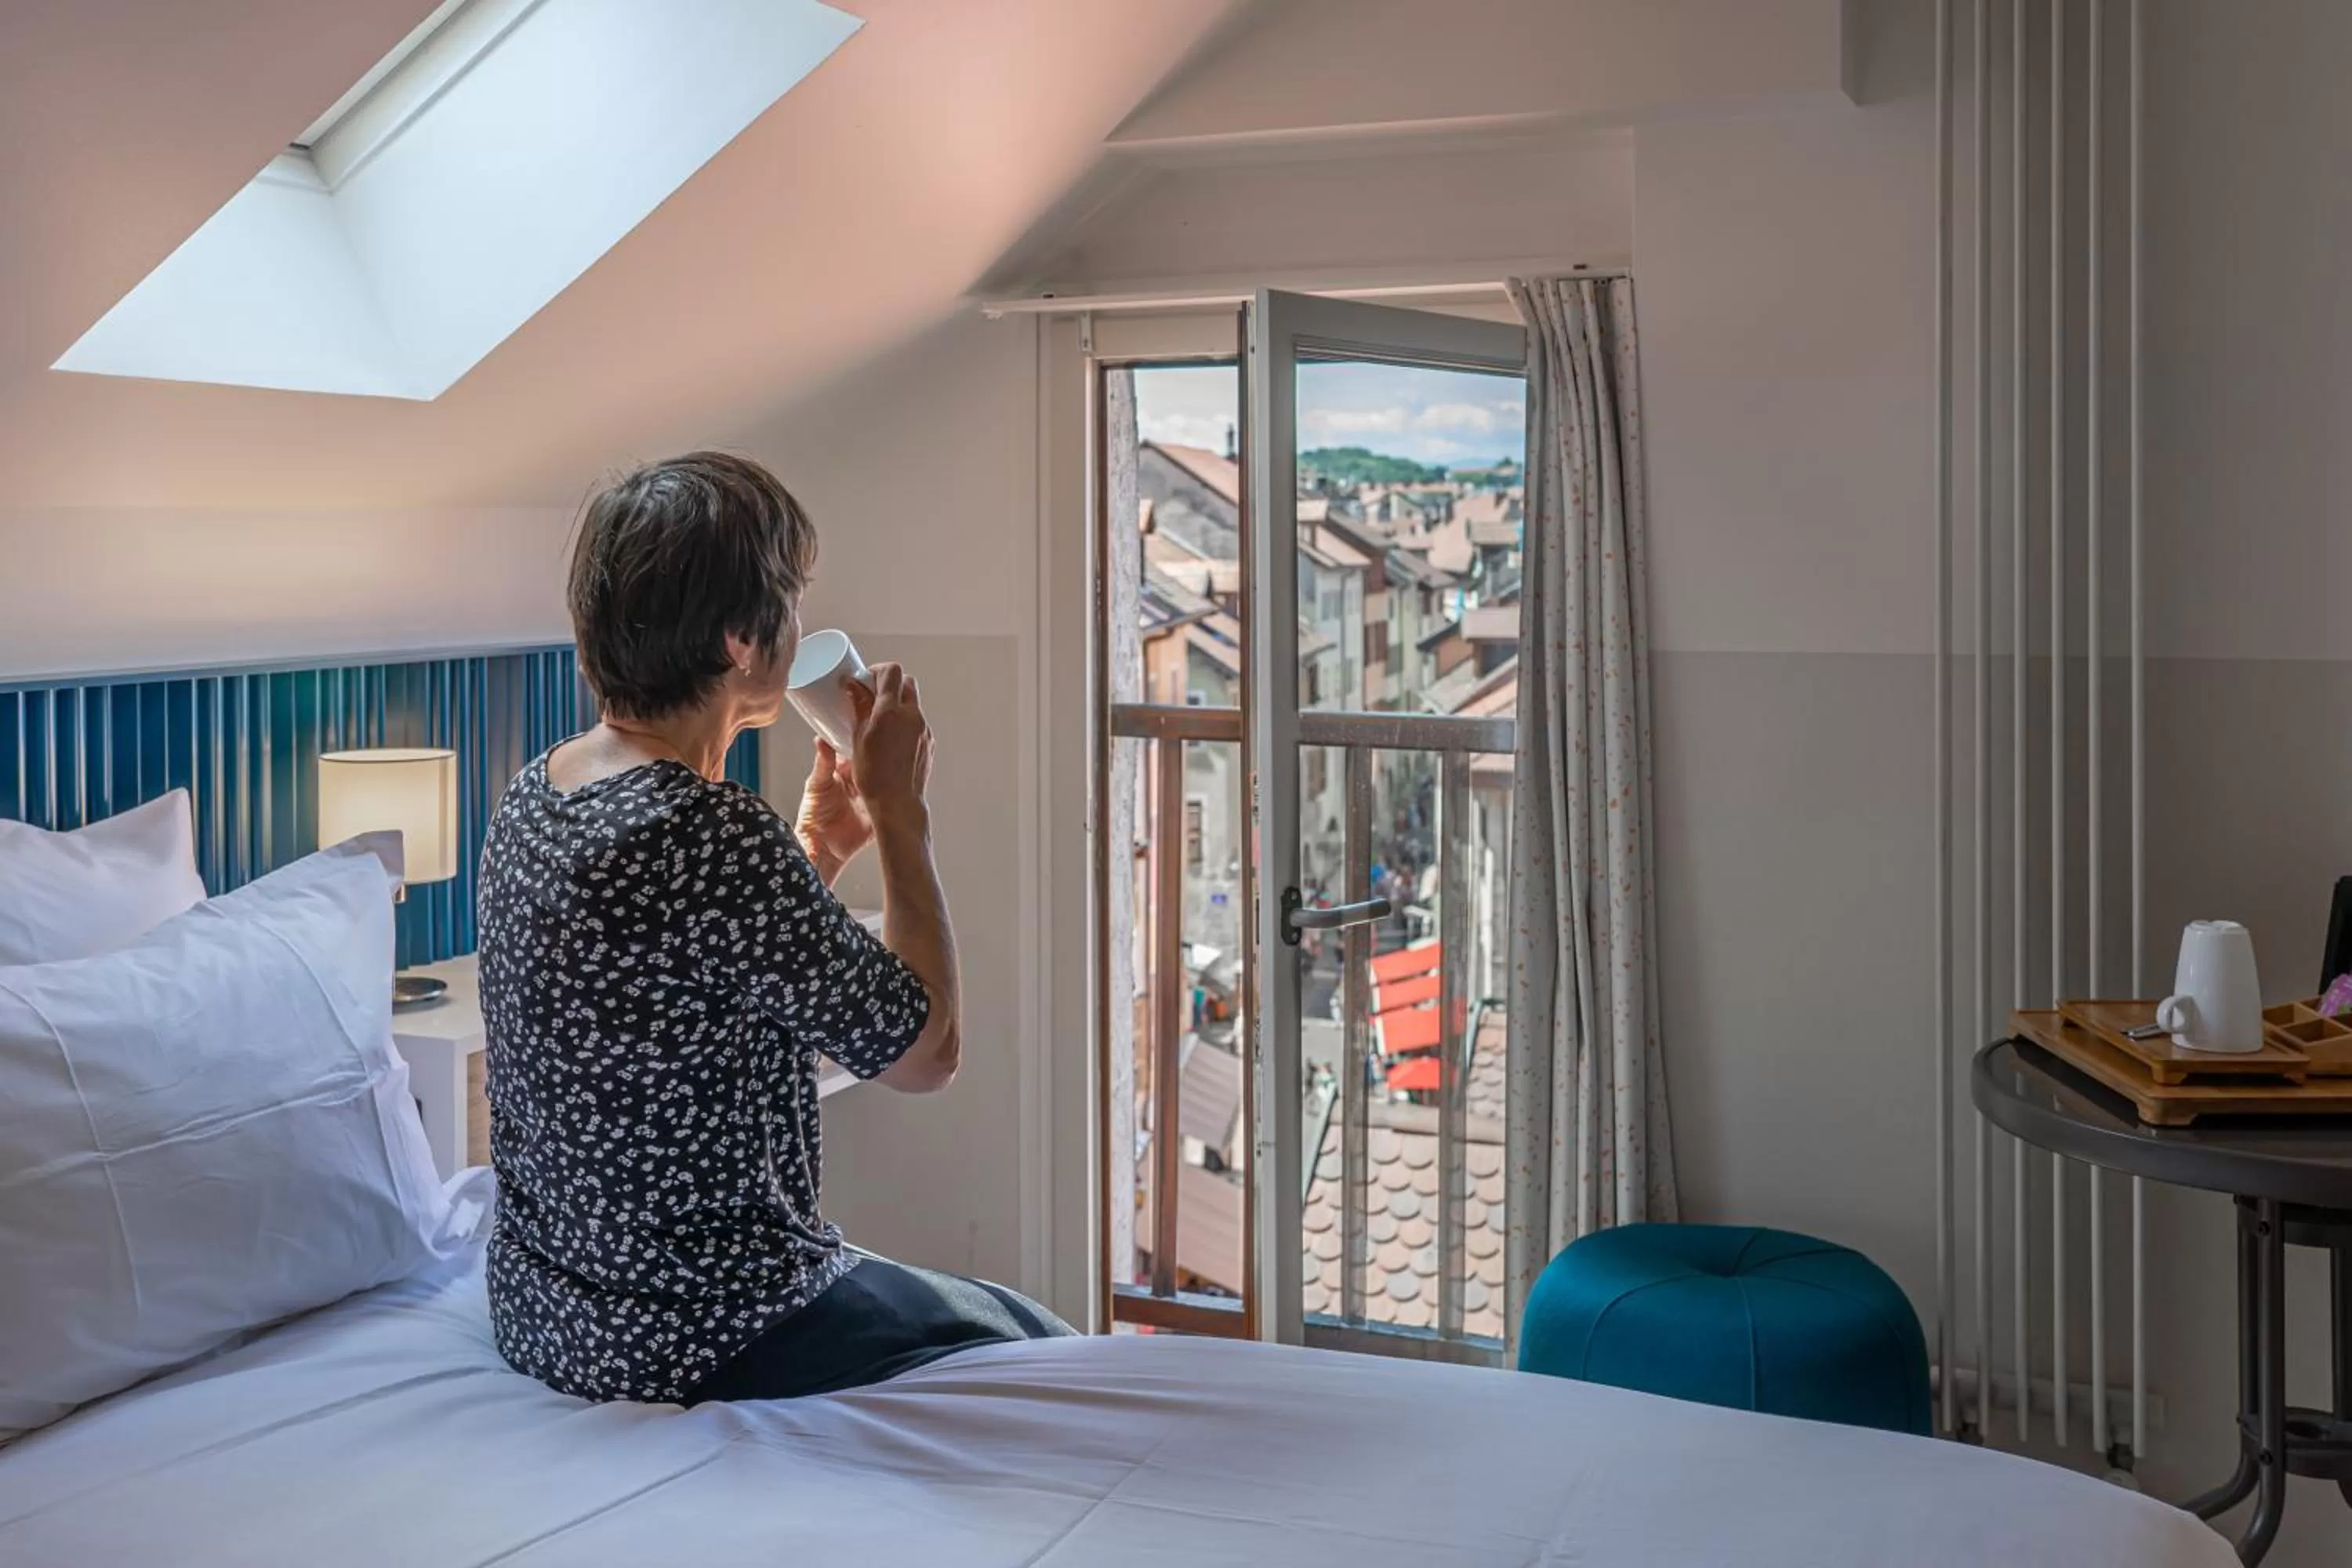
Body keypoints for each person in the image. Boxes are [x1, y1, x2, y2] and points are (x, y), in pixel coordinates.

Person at [477, 450, 1070, 1406]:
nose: (801, 619)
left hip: (548, 1315)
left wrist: (817, 850)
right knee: (1038, 1339)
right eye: (792, 597)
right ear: (739, 641)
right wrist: (900, 812)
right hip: (703, 1327)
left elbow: (687, 966)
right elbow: (926, 1052)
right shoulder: (707, 831)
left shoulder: (533, 792)